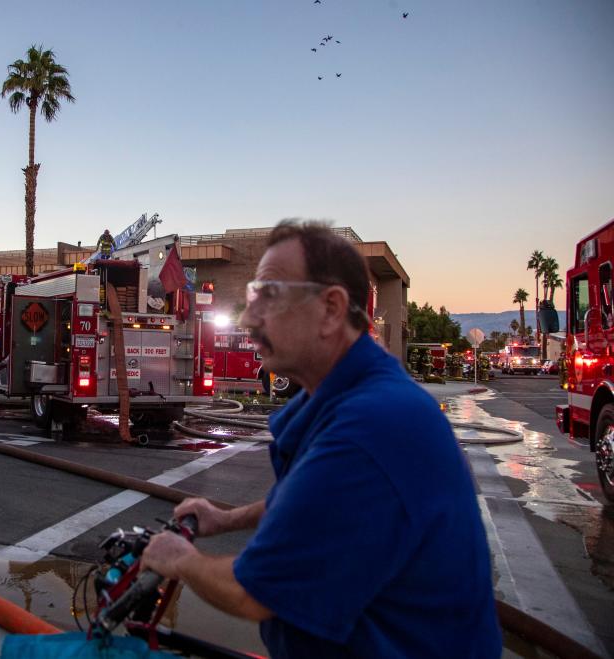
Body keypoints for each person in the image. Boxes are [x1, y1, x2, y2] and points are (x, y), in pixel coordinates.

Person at [141, 221, 501, 658]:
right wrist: (225, 519)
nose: (250, 318)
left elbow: (254, 592)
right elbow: (314, 502)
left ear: (331, 309)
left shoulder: (371, 429)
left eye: (269, 296)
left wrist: (179, 558)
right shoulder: (352, 401)